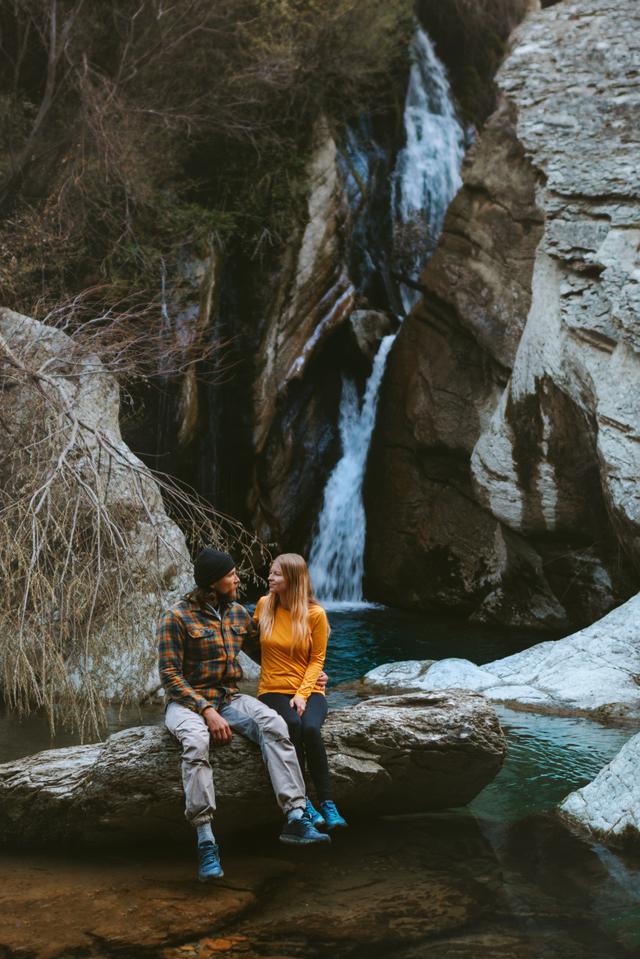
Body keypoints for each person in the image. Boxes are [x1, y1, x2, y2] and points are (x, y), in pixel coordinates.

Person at [157, 548, 330, 883]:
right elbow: (169, 676)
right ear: (213, 582)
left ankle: (295, 816)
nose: (238, 579)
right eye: (232, 574)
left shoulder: (237, 614)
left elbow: (272, 654)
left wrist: (311, 679)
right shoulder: (176, 617)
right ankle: (206, 841)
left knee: (274, 723)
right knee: (195, 743)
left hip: (229, 698)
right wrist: (205, 710)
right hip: (186, 704)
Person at [254, 553, 348, 831]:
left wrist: (303, 693)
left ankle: (328, 804)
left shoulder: (315, 614)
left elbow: (317, 659)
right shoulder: (263, 607)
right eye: (270, 573)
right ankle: (303, 800)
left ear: (293, 579)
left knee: (310, 729)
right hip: (271, 690)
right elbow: (248, 642)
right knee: (292, 725)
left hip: (308, 690)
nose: (270, 578)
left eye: (276, 574)